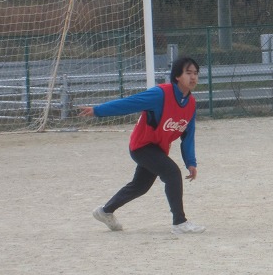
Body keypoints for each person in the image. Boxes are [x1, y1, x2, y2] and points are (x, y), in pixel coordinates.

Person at [80, 56, 206, 235]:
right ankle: (179, 222)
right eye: (188, 73)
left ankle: (105, 211)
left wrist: (191, 162)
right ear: (177, 76)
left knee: (140, 186)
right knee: (172, 173)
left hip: (158, 149)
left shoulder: (190, 104)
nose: (193, 77)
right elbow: (129, 103)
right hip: (141, 146)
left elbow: (188, 136)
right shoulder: (161, 94)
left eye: (195, 73)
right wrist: (98, 110)